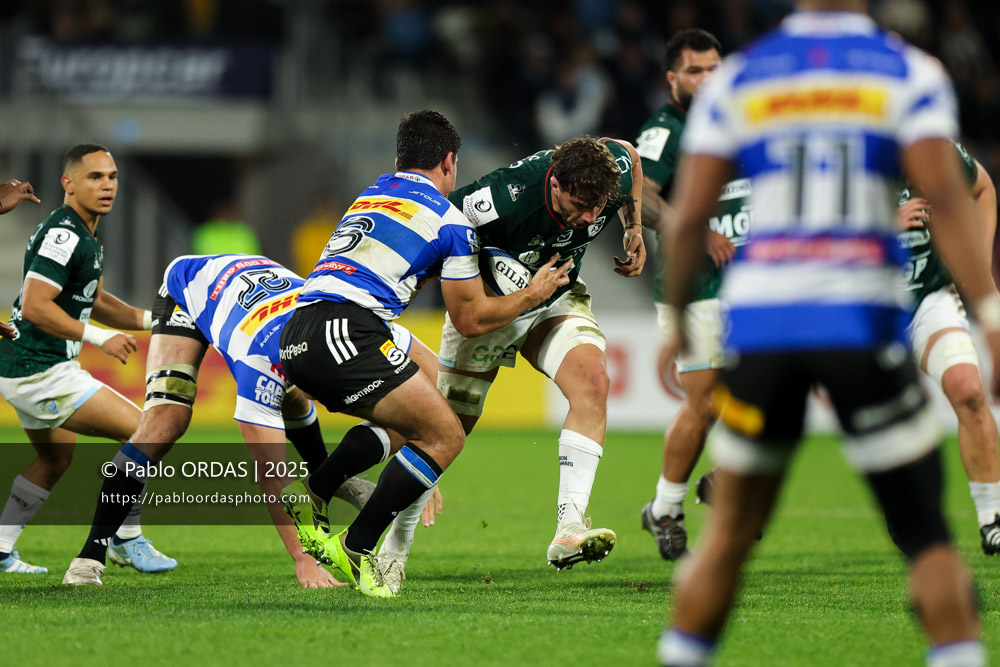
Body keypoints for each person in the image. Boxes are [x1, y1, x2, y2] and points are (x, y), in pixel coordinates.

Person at [658, 3, 1000, 666]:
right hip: (858, 318)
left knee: (727, 533)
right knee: (927, 535)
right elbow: (953, 196)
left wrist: (674, 323)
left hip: (762, 327)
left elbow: (689, 216)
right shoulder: (907, 71)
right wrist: (989, 313)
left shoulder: (743, 77)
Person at [279, 110, 572, 597]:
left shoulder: (372, 193)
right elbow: (470, 319)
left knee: (406, 426)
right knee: (445, 436)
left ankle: (314, 491)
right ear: (450, 161)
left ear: (398, 159)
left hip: (299, 331)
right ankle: (355, 545)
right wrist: (532, 294)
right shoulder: (452, 222)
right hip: (347, 331)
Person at [61, 253, 392, 588]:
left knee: (294, 393)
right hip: (188, 291)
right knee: (165, 424)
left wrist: (426, 460)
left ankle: (332, 479)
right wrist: (303, 559)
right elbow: (271, 475)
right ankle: (90, 556)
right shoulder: (259, 365)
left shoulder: (344, 324)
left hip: (252, 295)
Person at [439, 134, 645, 570]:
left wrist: (634, 226)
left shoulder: (614, 174)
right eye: (579, 205)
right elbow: (437, 226)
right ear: (554, 185)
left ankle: (568, 531)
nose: (589, 218)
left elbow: (631, 156)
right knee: (442, 434)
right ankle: (383, 543)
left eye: (598, 206)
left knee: (594, 381)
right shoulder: (500, 197)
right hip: (492, 307)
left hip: (554, 297)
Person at [0, 144, 175, 577]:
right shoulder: (65, 235)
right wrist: (101, 339)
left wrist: (154, 321)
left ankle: (0, 546)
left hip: (28, 365)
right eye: (95, 177)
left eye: (112, 176)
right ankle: (125, 536)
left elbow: (92, 300)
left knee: (55, 460)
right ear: (68, 183)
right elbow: (39, 305)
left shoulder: (86, 233)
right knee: (145, 432)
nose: (108, 185)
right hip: (38, 368)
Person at [634, 28, 751, 561]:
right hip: (697, 290)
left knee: (771, 396)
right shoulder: (667, 130)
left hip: (750, 288)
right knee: (703, 405)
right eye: (695, 71)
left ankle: (722, 480)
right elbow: (641, 194)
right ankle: (667, 508)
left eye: (714, 69)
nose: (707, 80)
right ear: (672, 78)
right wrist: (694, 229)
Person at [897, 142, 1000, 554]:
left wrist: (977, 259)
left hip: (927, 298)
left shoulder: (936, 150)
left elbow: (984, 189)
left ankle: (993, 517)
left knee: (969, 390)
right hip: (863, 304)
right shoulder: (841, 154)